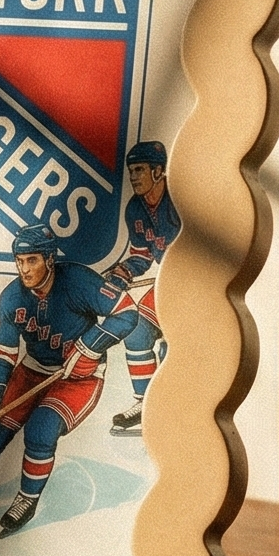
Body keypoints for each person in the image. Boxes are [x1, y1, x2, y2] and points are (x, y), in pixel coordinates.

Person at [0, 223, 135, 546]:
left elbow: (126, 313)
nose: (24, 269)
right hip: (33, 370)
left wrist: (90, 346)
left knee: (41, 430)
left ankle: (27, 497)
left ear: (49, 259)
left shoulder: (78, 281)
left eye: (32, 261)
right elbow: (0, 355)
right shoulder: (12, 298)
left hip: (79, 376)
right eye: (20, 261)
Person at [103, 139, 181, 433]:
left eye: (140, 170)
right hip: (173, 283)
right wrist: (125, 270)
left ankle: (171, 406)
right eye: (131, 170)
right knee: (137, 331)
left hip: (200, 284)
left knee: (173, 342)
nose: (133, 176)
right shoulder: (135, 208)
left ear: (159, 172)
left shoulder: (178, 199)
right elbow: (142, 255)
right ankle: (145, 402)